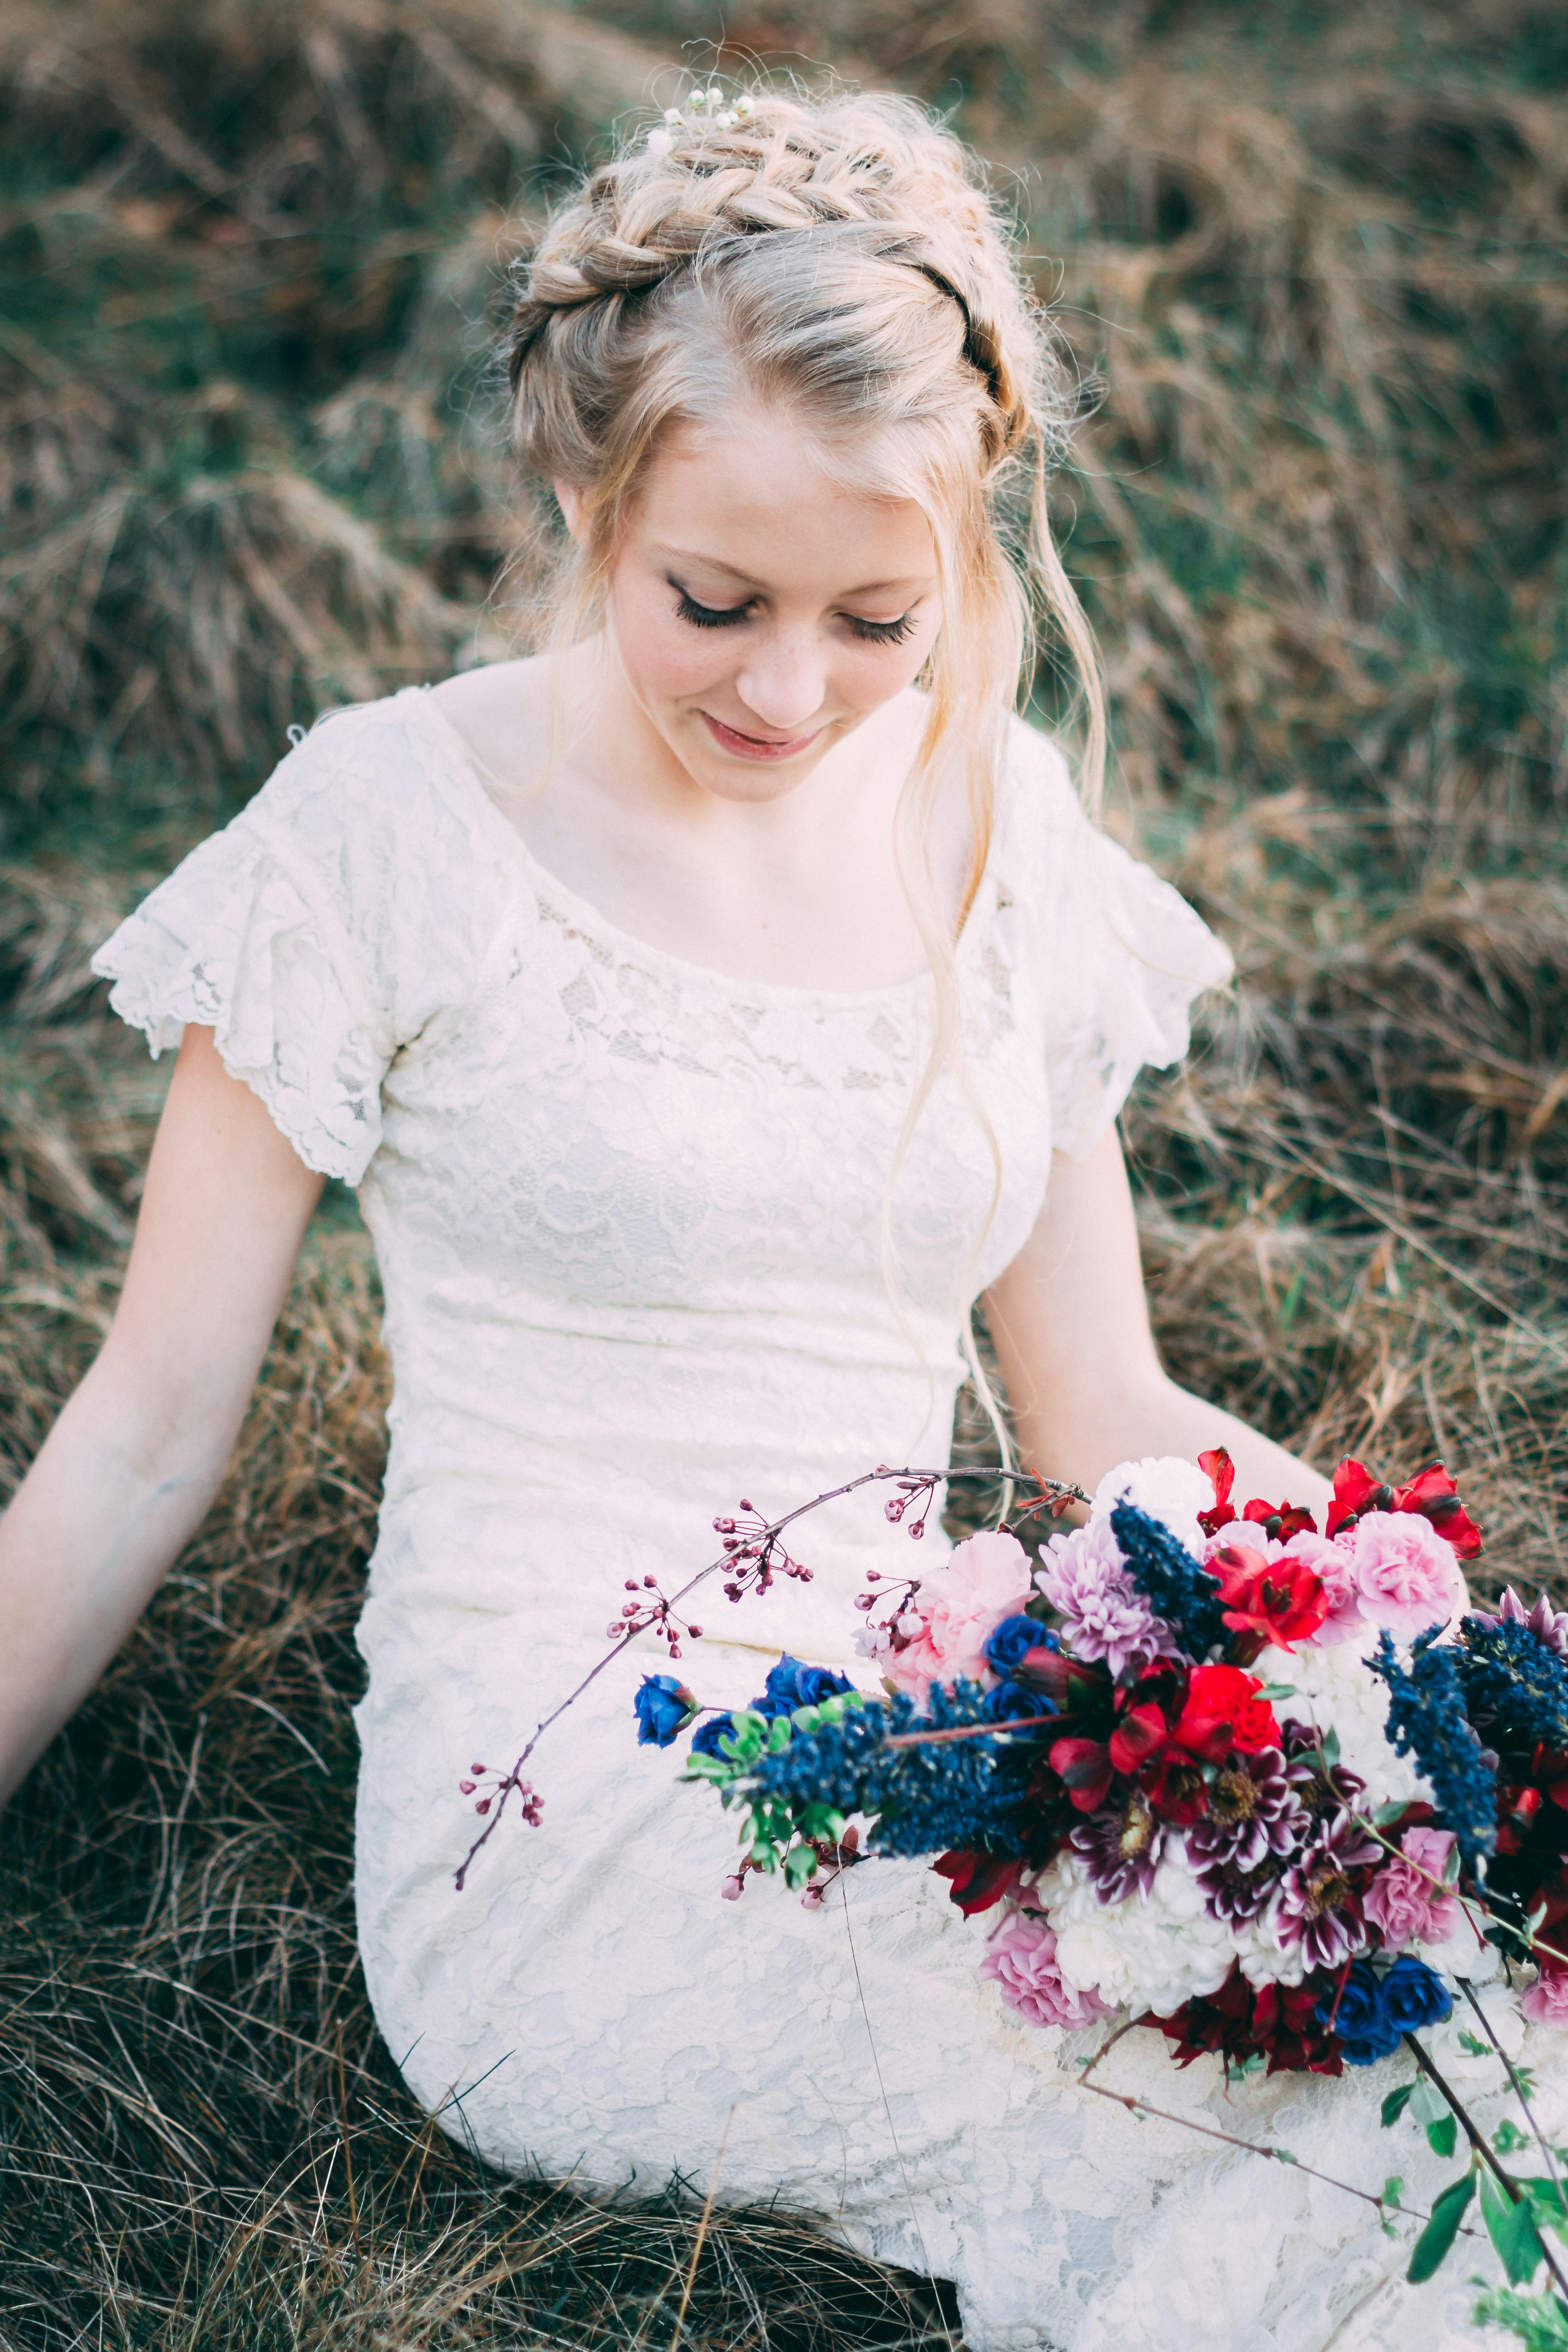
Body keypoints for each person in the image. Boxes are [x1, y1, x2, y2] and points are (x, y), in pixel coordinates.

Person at [0, 87, 1517, 2352]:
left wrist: (1430, 1663)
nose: (788, 692)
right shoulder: (386, 829)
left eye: (877, 617)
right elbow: (143, 1431)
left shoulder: (995, 818)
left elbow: (1101, 1403)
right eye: (709, 601)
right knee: (1314, 2105)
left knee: (1463, 1976)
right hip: (571, 1844)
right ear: (588, 496)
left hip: (941, 1739)